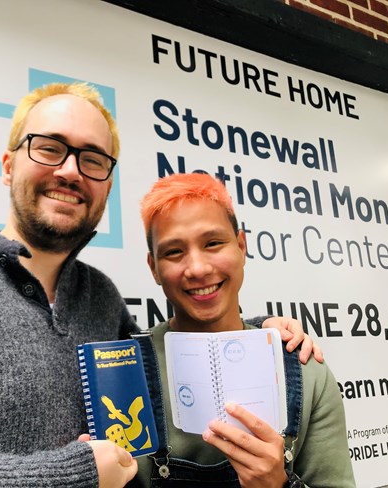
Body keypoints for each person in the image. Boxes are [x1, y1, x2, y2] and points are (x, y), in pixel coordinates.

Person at [0, 82, 317, 488]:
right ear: (9, 163)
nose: (71, 170)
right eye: (50, 148)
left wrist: (255, 333)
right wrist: (62, 476)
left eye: (93, 159)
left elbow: (171, 352)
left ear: (106, 186)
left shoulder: (101, 300)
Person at [131, 173, 355, 487]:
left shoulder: (304, 369)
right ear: (154, 267)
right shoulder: (124, 372)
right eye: (173, 252)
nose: (198, 268)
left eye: (212, 243)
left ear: (241, 245)